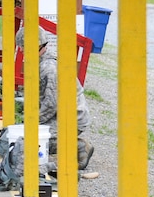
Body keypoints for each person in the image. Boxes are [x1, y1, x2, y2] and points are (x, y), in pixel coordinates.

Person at [15, 26, 94, 170]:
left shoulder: (48, 68)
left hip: (72, 117)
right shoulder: (43, 62)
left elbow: (51, 104)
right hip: (63, 113)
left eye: (23, 47)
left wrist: (31, 123)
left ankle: (78, 145)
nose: (21, 51)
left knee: (34, 140)